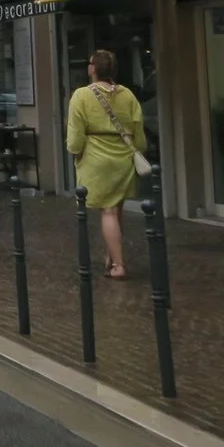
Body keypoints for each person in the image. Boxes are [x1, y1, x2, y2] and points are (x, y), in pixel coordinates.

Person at [65, 48, 146, 278]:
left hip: (97, 158)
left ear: (93, 68)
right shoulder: (128, 95)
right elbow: (138, 130)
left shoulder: (81, 95)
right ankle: (111, 257)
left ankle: (119, 265)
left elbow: (75, 136)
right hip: (123, 158)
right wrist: (137, 149)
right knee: (116, 209)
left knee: (108, 212)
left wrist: (76, 152)